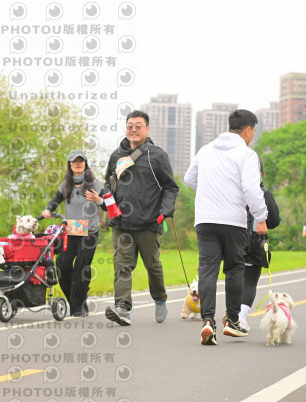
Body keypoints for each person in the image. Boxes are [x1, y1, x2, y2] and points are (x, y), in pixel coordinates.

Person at [184, 109, 268, 345]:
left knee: (207, 270)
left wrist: (211, 192)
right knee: (234, 269)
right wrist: (261, 218)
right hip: (232, 221)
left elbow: (189, 179)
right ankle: (232, 320)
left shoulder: (205, 150)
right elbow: (252, 189)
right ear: (248, 130)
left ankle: (208, 321)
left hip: (205, 220)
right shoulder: (247, 154)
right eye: (253, 131)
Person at [103, 111, 179, 326]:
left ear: (147, 129)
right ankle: (122, 308)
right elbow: (108, 183)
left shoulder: (157, 155)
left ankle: (160, 299)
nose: (133, 130)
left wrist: (165, 211)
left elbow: (170, 187)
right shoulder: (117, 155)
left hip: (149, 221)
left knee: (152, 265)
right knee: (122, 265)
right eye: (130, 126)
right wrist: (106, 200)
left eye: (138, 126)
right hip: (121, 222)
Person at [42, 150, 107, 317]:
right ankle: (76, 300)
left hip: (90, 232)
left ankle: (77, 307)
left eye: (81, 161)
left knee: (81, 266)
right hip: (71, 231)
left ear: (85, 164)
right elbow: (54, 201)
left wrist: (98, 200)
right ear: (70, 165)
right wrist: (48, 209)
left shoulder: (94, 183)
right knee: (62, 263)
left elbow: (107, 205)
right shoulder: (66, 185)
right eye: (74, 161)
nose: (78, 164)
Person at [239, 156, 280, 331]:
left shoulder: (234, 191)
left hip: (233, 240)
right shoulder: (263, 193)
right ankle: (240, 318)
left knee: (234, 278)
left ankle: (231, 313)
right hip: (254, 242)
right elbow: (274, 221)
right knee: (249, 282)